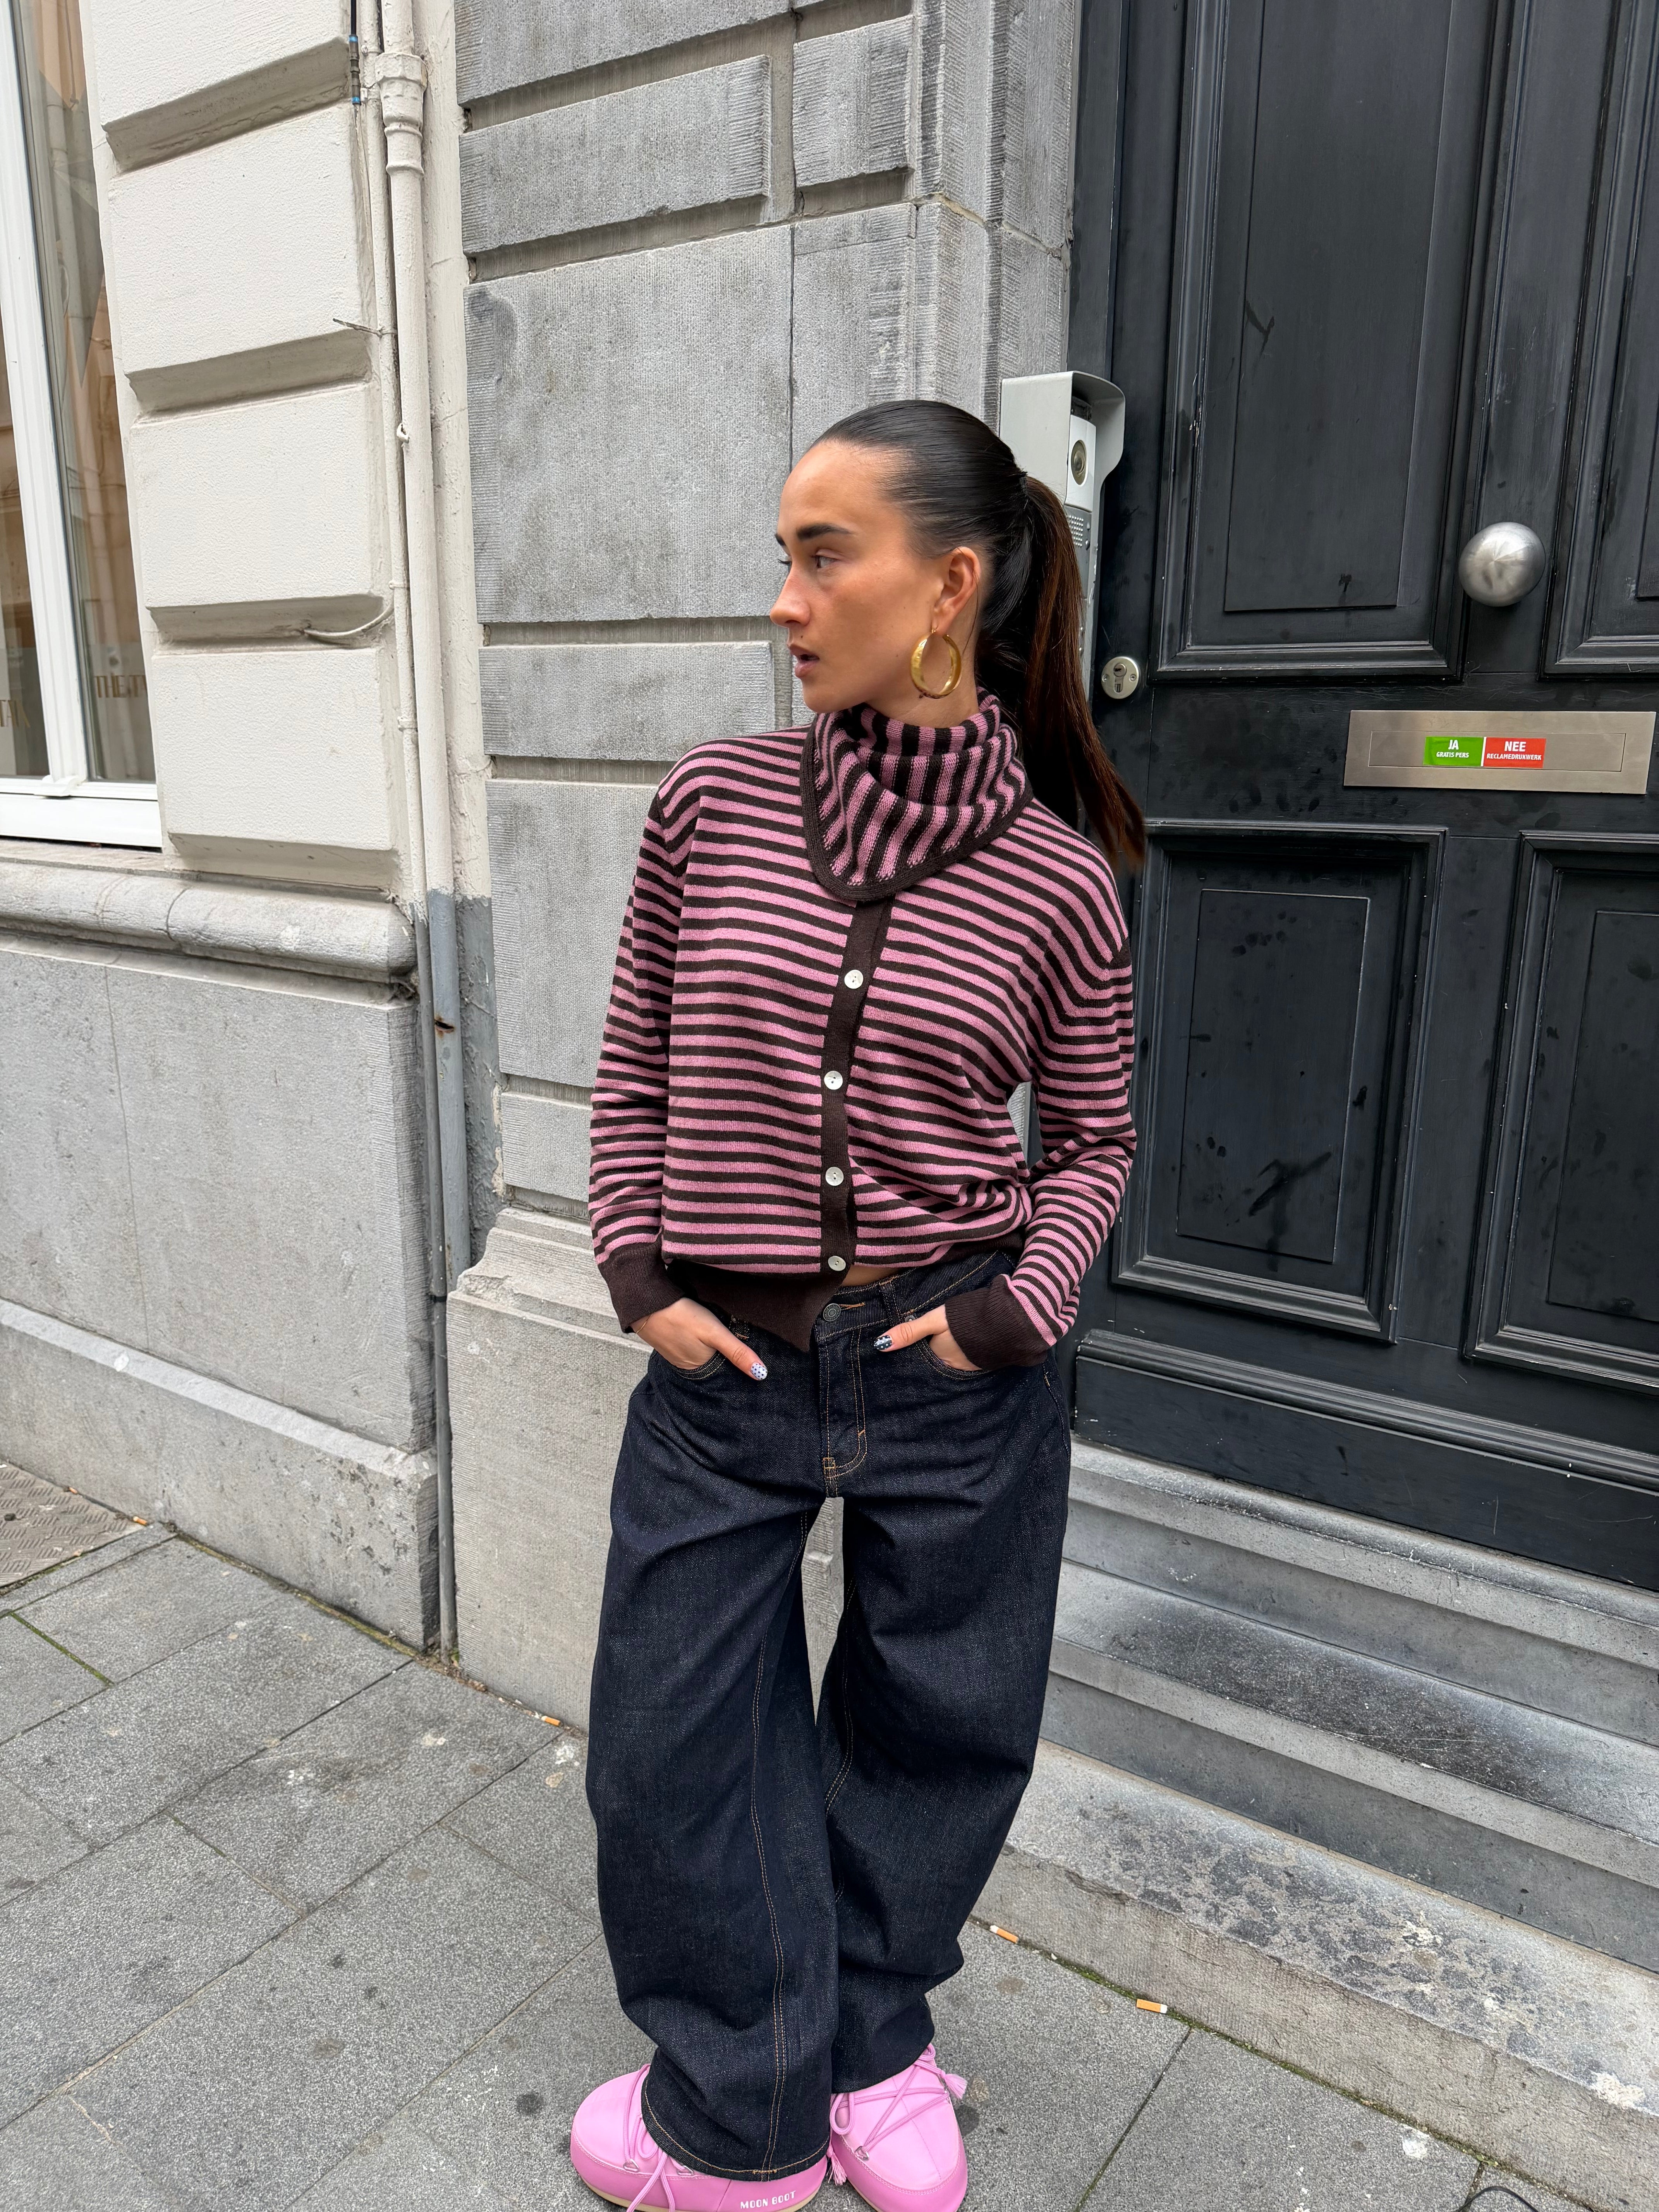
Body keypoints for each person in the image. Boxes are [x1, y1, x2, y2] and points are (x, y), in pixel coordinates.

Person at [573, 398, 1144, 2212]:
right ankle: (741, 2107)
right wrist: (637, 1269)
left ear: (948, 588)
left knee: (936, 1727)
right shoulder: (713, 803)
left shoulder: (1059, 877)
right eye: (785, 556)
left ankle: (874, 2039)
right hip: (725, 1365)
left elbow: (1096, 1142)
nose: (787, 599)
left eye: (826, 555)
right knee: (669, 1738)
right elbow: (635, 1066)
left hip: (954, 1366)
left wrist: (1016, 1313)